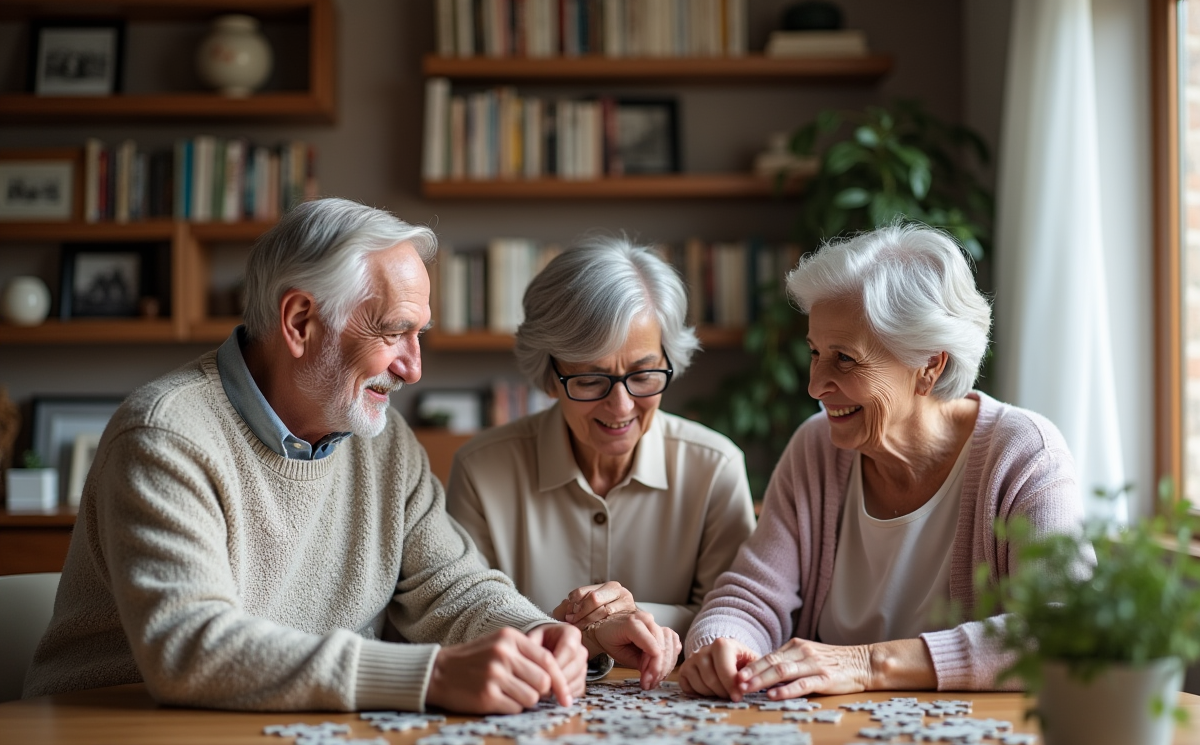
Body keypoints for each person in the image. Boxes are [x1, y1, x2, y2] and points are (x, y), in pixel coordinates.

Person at [24, 198, 676, 713]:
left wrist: (542, 635)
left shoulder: (383, 443)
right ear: (300, 321)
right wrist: (431, 675)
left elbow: (450, 587)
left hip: (293, 740)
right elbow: (191, 649)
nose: (414, 369)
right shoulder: (165, 436)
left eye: (419, 335)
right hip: (114, 738)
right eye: (394, 332)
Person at [679, 223, 1091, 700]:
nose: (815, 386)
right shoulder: (815, 450)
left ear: (929, 365)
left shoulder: (1024, 455)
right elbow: (751, 596)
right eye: (815, 353)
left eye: (845, 359)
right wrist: (722, 644)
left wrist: (867, 664)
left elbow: (1063, 630)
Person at [446, 237, 757, 677]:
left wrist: (635, 622)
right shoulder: (482, 469)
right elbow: (459, 619)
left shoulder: (714, 468)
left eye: (644, 374)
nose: (622, 406)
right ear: (550, 376)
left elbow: (737, 620)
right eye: (591, 379)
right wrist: (587, 635)